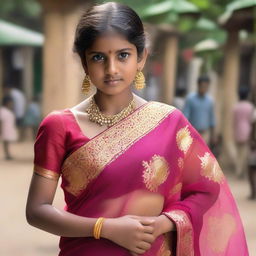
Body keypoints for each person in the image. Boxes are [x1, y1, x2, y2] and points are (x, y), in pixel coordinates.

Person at [26, 2, 248, 256]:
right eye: (98, 57)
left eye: (123, 55)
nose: (111, 69)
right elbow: (37, 210)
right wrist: (105, 228)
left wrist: (164, 223)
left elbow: (207, 189)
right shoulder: (60, 125)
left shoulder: (168, 122)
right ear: (85, 63)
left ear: (141, 57)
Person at [183, 76, 215, 145]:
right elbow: (185, 117)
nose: (204, 88)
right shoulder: (190, 99)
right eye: (203, 86)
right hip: (192, 133)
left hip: (205, 134)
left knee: (203, 155)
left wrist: (213, 135)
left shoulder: (210, 101)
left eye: (206, 86)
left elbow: (212, 119)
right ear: (198, 85)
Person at [233, 87, 255, 178]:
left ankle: (238, 171)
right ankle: (244, 173)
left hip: (238, 130)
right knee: (246, 154)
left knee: (239, 153)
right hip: (247, 131)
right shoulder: (250, 107)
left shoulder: (236, 107)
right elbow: (252, 120)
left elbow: (234, 120)